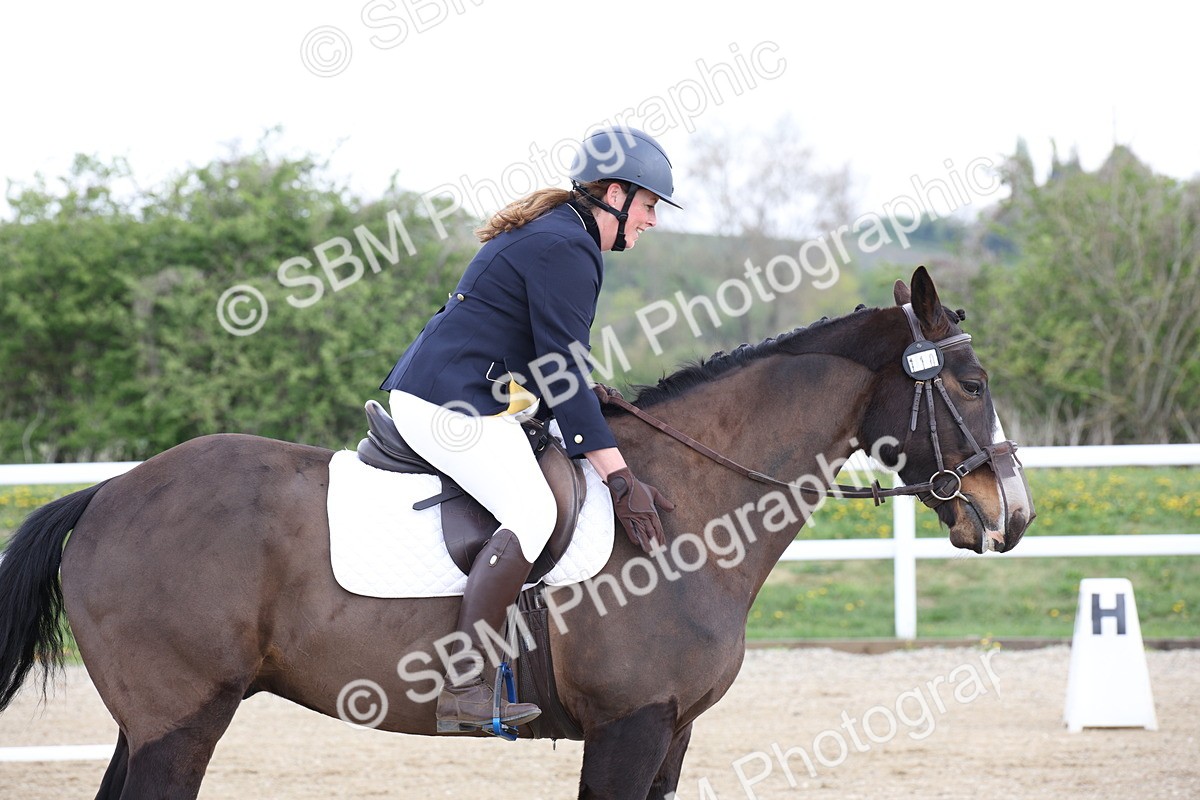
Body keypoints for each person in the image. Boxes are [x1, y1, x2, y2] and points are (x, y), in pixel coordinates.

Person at [379, 126, 680, 733]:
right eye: (649, 206)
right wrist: (619, 478)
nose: (651, 221)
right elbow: (559, 369)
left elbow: (554, 363)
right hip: (448, 405)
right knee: (533, 511)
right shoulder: (567, 246)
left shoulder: (558, 233)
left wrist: (588, 400)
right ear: (617, 195)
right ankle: (465, 687)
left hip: (459, 392)